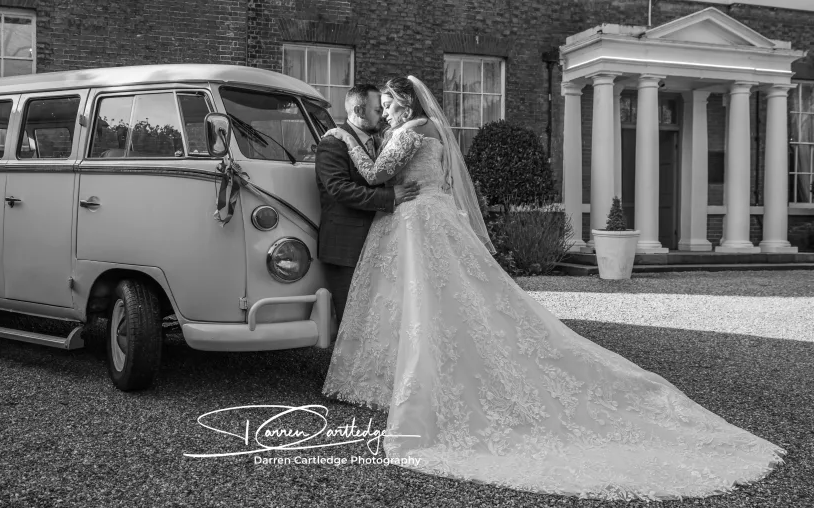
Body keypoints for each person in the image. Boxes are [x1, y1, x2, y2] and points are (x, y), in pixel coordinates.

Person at [320, 75, 785, 501]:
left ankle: (419, 380)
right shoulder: (437, 133)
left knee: (422, 301)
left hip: (416, 221)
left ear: (401, 102)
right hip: (435, 217)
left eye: (386, 103)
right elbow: (436, 180)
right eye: (380, 105)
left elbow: (375, 174)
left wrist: (342, 135)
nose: (384, 111)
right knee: (451, 300)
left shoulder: (408, 133)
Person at [315, 84, 420, 326]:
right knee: (351, 322)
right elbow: (339, 189)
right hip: (346, 248)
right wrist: (390, 196)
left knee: (376, 322)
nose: (383, 115)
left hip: (377, 243)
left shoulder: (380, 141)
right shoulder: (333, 143)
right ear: (359, 110)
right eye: (377, 109)